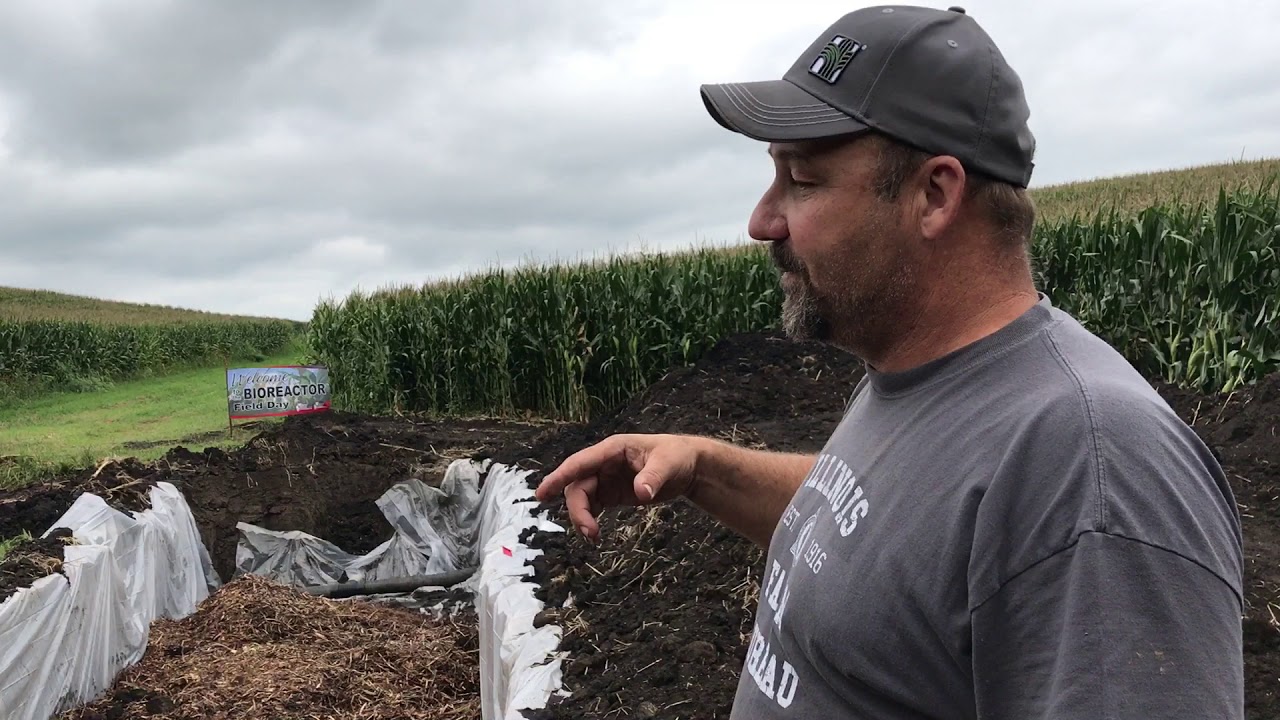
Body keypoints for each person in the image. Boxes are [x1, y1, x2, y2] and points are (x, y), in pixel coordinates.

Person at [535, 4, 1245, 718]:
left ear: (933, 195)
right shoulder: (921, 376)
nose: (762, 220)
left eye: (803, 182)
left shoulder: (1092, 470)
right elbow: (889, 530)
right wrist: (704, 468)